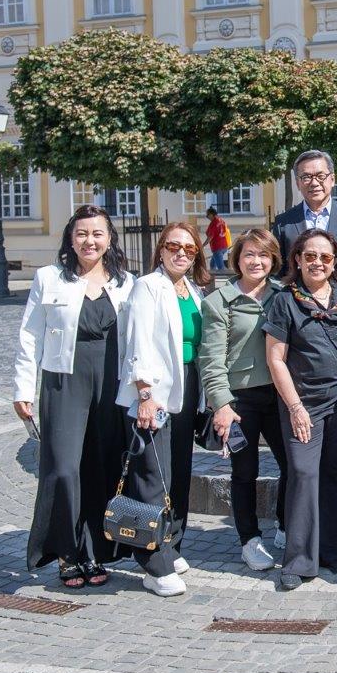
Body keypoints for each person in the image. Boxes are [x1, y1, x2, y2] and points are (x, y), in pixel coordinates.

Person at [12, 204, 134, 589]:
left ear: (110, 238)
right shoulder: (49, 278)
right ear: (70, 238)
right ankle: (67, 552)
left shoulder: (126, 282)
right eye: (81, 233)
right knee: (63, 469)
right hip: (64, 381)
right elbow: (29, 335)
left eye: (97, 233)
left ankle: (95, 550)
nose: (89, 241)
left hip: (111, 384)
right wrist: (22, 388)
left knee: (101, 469)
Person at [115, 222, 213, 597]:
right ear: (160, 249)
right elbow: (137, 340)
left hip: (186, 391)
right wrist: (144, 393)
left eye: (189, 249)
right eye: (174, 246)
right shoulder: (148, 287)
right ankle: (153, 563)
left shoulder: (193, 290)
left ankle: (171, 543)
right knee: (153, 476)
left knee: (178, 474)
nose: (181, 253)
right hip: (156, 392)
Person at [263, 229, 337, 591]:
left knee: (336, 474)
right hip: (302, 403)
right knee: (304, 475)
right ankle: (298, 560)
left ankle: (334, 550)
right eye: (310, 256)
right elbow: (276, 359)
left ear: (335, 261)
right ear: (297, 260)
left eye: (325, 257)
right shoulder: (283, 301)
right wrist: (294, 407)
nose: (317, 263)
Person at [198, 228, 288, 572]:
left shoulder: (282, 296)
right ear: (237, 259)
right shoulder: (218, 302)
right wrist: (221, 404)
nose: (257, 261)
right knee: (244, 471)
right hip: (239, 402)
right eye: (249, 254)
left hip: (278, 394)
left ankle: (284, 521)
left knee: (293, 464)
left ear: (273, 259)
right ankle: (249, 540)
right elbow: (211, 359)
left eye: (264, 255)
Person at [272, 149, 337, 313]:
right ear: (298, 183)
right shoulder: (284, 223)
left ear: (332, 179)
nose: (314, 183)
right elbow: (277, 270)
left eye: (321, 176)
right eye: (306, 177)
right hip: (296, 312)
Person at [204, 207, 231, 271]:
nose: (206, 216)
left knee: (221, 268)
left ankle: (232, 278)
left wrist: (202, 245)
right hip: (224, 246)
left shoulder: (214, 223)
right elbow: (225, 231)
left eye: (207, 215)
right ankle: (212, 280)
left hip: (217, 247)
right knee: (212, 264)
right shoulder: (221, 220)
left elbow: (210, 237)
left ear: (211, 214)